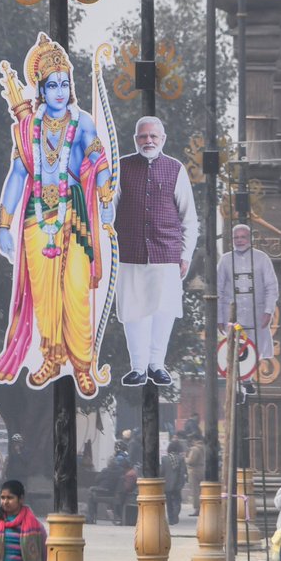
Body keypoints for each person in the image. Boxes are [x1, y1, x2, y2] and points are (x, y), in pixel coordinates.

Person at [0, 33, 115, 394]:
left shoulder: (82, 122)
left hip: (75, 213)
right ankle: (52, 358)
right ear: (40, 88)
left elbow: (99, 160)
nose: (59, 90)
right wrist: (3, 223)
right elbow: (17, 175)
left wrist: (105, 191)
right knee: (44, 296)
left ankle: (82, 365)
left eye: (64, 83)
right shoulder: (28, 129)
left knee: (76, 289)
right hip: (37, 216)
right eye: (52, 84)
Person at [114, 116, 198, 387]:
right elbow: (107, 211)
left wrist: (185, 255)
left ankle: (157, 365)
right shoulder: (121, 167)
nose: (148, 141)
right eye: (143, 136)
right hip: (129, 251)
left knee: (164, 309)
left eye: (153, 136)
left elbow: (188, 217)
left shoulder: (175, 169)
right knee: (133, 309)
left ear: (163, 139)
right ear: (135, 139)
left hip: (166, 251)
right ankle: (138, 367)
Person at [216, 223, 279, 365]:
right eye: (236, 237)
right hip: (232, 317)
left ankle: (250, 376)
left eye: (243, 237)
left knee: (255, 352)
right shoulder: (225, 260)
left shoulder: (262, 258)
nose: (239, 240)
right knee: (234, 354)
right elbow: (218, 290)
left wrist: (268, 311)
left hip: (256, 315)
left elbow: (271, 287)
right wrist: (219, 318)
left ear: (250, 238)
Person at [163, 438, 187, 525]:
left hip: (167, 484)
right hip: (177, 483)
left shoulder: (164, 459)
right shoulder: (181, 459)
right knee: (177, 500)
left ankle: (171, 519)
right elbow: (183, 471)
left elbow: (162, 471)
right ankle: (175, 514)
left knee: (169, 502)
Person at [185, 433, 206, 516]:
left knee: (195, 491)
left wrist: (185, 458)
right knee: (202, 490)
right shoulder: (204, 447)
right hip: (202, 469)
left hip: (194, 471)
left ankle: (197, 508)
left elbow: (191, 461)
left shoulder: (194, 449)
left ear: (194, 440)